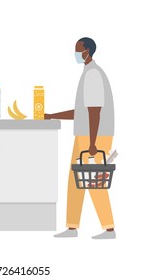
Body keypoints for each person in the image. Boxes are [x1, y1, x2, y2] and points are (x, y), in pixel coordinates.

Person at [46, 37, 116, 239]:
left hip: (94, 136)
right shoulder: (88, 74)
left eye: (78, 49)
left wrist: (93, 144)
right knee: (76, 179)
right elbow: (82, 111)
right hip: (85, 134)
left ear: (88, 51)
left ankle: (109, 228)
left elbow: (95, 112)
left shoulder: (93, 74)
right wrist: (52, 115)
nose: (75, 53)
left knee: (94, 180)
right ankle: (72, 227)